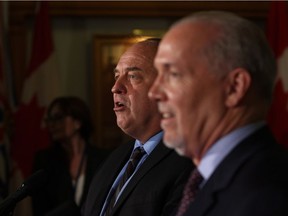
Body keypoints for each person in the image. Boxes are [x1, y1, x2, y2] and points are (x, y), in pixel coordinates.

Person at [149, 11, 288, 216]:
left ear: (234, 87)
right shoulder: (205, 178)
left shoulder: (268, 196)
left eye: (173, 74)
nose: (154, 93)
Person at [82, 38, 194, 216]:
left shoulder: (189, 160)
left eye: (132, 76)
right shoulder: (113, 159)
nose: (115, 87)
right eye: (117, 76)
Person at [32, 96, 110, 216]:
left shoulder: (103, 159)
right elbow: (40, 208)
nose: (52, 125)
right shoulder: (44, 160)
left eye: (58, 118)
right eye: (49, 120)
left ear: (77, 122)